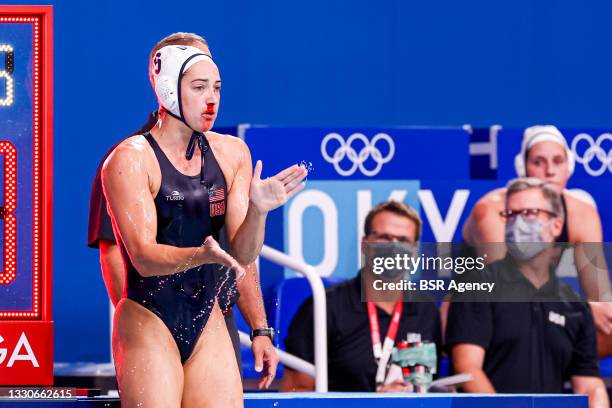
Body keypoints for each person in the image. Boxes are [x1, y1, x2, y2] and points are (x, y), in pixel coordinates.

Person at [102, 40, 307, 407]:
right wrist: (203, 255)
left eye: (216, 88)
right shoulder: (130, 160)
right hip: (149, 313)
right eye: (199, 88)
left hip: (207, 313)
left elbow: (242, 255)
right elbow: (143, 258)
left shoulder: (232, 153)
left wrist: (258, 212)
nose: (211, 99)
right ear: (167, 87)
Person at [447, 178, 608, 407]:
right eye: (511, 214)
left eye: (530, 213)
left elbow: (590, 385)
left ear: (556, 225)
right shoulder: (479, 285)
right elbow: (467, 370)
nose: (518, 223)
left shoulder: (573, 305)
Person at [461, 125, 612, 353]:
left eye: (558, 161)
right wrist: (583, 307)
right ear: (523, 167)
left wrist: (595, 308)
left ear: (569, 167)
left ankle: (564, 373)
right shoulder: (491, 211)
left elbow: (601, 299)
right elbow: (506, 292)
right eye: (538, 162)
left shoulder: (581, 214)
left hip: (540, 303)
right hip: (480, 309)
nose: (549, 171)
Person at [281, 200, 442, 392]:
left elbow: (429, 386)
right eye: (384, 238)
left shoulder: (426, 310)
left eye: (403, 240)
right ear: (365, 244)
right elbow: (296, 394)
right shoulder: (325, 307)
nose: (394, 248)